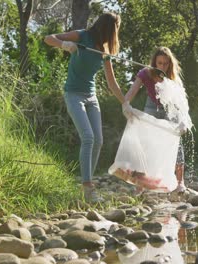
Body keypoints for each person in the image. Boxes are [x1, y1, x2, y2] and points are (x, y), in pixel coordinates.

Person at [44, 12, 132, 202]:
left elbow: (112, 83)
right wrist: (64, 44)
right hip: (73, 95)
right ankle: (88, 187)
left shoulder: (105, 49)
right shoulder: (81, 36)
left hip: (91, 97)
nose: (117, 32)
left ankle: (87, 183)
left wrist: (125, 103)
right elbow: (48, 38)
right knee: (88, 137)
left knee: (98, 140)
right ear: (109, 27)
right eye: (116, 28)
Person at [123, 47, 187, 194]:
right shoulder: (145, 73)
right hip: (152, 106)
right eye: (160, 63)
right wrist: (125, 104)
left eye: (166, 63)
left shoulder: (174, 78)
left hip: (171, 110)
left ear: (170, 64)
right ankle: (140, 183)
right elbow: (132, 90)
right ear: (155, 62)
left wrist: (183, 120)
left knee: (176, 143)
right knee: (145, 143)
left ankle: (180, 182)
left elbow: (182, 103)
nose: (163, 66)